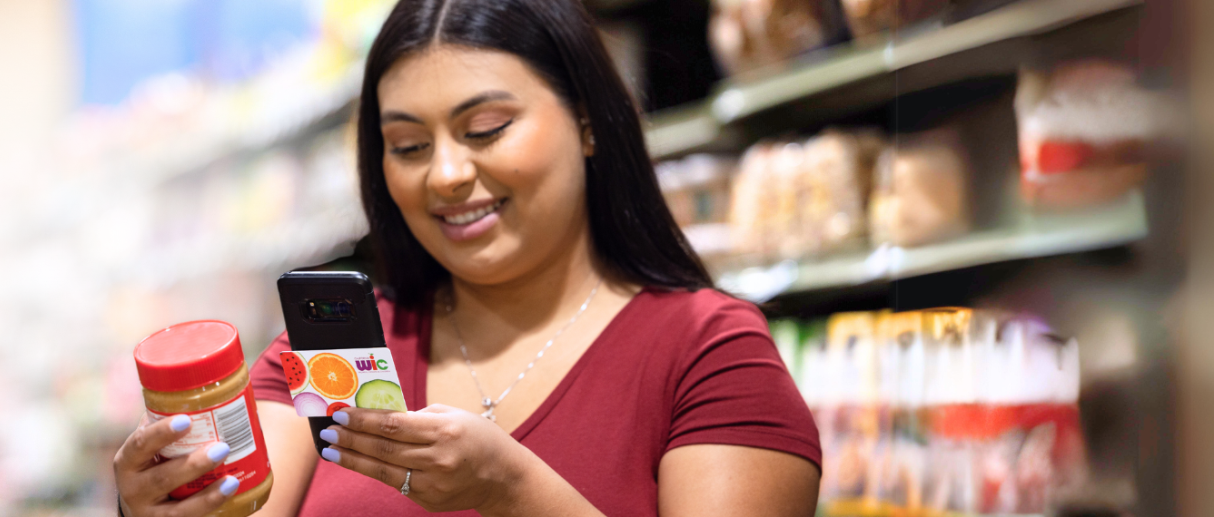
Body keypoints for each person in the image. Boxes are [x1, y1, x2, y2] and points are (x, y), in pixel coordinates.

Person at [112, 0, 821, 515]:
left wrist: (512, 491)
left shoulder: (708, 350)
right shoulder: (331, 349)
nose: (446, 174)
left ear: (586, 123)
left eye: (486, 128)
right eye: (409, 146)